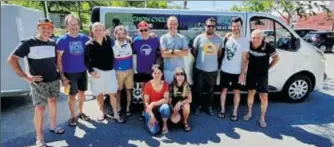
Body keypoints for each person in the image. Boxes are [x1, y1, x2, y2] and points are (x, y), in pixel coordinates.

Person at [7, 18, 64, 147]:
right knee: (40, 108)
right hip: (39, 83)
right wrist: (26, 76)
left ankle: (53, 126)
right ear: (38, 28)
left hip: (54, 79)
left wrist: (62, 76)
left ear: (52, 30)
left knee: (53, 101)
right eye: (43, 27)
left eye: (49, 28)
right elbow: (11, 59)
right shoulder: (28, 43)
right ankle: (39, 137)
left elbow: (57, 61)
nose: (46, 30)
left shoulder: (53, 43)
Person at [84, 22, 124, 123]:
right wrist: (91, 71)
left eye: (100, 29)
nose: (98, 32)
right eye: (95, 30)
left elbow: (121, 40)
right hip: (97, 72)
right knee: (99, 94)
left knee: (112, 93)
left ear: (103, 30)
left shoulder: (110, 41)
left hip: (110, 71)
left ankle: (115, 114)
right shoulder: (89, 45)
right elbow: (86, 60)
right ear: (92, 31)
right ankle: (102, 112)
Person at [56, 14, 90, 127]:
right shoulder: (62, 40)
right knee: (71, 95)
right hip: (69, 73)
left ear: (79, 25)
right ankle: (72, 116)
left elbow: (96, 45)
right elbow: (58, 59)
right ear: (66, 25)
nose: (74, 27)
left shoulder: (84, 38)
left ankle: (80, 112)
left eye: (76, 24)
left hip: (82, 71)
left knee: (82, 93)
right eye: (71, 24)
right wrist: (62, 76)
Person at [243, 29, 280, 128]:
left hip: (263, 75)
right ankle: (249, 112)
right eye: (253, 37)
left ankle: (262, 118)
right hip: (251, 74)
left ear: (262, 38)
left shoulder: (268, 47)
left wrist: (268, 67)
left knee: (264, 97)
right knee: (251, 94)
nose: (255, 40)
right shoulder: (249, 45)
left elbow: (276, 58)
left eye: (258, 38)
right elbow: (245, 58)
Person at [219, 17, 249, 121]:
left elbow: (245, 59)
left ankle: (235, 112)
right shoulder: (227, 38)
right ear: (231, 27)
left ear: (241, 26)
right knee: (223, 90)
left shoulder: (245, 41)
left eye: (238, 26)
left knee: (237, 92)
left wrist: (242, 74)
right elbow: (221, 52)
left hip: (237, 72)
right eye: (234, 26)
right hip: (225, 70)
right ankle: (222, 109)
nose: (236, 28)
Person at [192, 17, 223, 116]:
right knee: (198, 90)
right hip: (199, 69)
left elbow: (219, 54)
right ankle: (197, 107)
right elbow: (194, 52)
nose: (211, 28)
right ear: (205, 26)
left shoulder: (219, 39)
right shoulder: (199, 38)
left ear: (215, 27)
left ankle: (208, 107)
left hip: (213, 70)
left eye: (213, 26)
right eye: (209, 26)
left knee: (211, 91)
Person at [132, 21, 161, 118]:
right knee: (144, 91)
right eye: (141, 30)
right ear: (138, 31)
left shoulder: (155, 40)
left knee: (153, 90)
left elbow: (159, 53)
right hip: (141, 70)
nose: (144, 32)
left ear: (149, 29)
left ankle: (152, 109)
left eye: (146, 29)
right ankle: (144, 109)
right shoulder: (136, 41)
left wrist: (157, 64)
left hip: (152, 70)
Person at [160, 16, 189, 84]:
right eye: (170, 24)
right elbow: (164, 54)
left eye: (174, 24)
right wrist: (179, 52)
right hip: (168, 70)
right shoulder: (163, 38)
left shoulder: (182, 38)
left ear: (177, 25)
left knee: (180, 91)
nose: (172, 26)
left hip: (180, 70)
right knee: (169, 90)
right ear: (167, 25)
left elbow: (185, 53)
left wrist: (171, 51)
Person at [112, 25, 134, 116]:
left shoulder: (130, 42)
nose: (121, 36)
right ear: (115, 34)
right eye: (118, 34)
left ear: (126, 34)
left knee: (129, 90)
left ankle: (128, 108)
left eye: (123, 33)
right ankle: (119, 108)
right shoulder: (112, 44)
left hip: (129, 70)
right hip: (118, 71)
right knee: (118, 91)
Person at [143, 64, 171, 135]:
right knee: (154, 131)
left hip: (160, 108)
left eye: (159, 73)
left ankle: (164, 124)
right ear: (152, 74)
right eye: (155, 73)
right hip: (150, 109)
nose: (157, 75)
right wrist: (151, 115)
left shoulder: (165, 84)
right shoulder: (147, 85)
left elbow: (166, 100)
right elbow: (146, 102)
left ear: (162, 74)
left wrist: (153, 103)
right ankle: (153, 118)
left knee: (166, 107)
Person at [169, 68, 192, 132]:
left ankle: (185, 121)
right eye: (177, 74)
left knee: (187, 105)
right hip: (174, 107)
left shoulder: (187, 85)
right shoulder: (171, 86)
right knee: (175, 120)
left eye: (182, 74)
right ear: (175, 76)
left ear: (185, 76)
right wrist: (173, 110)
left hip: (182, 105)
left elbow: (190, 99)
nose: (180, 76)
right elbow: (169, 102)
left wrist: (180, 103)